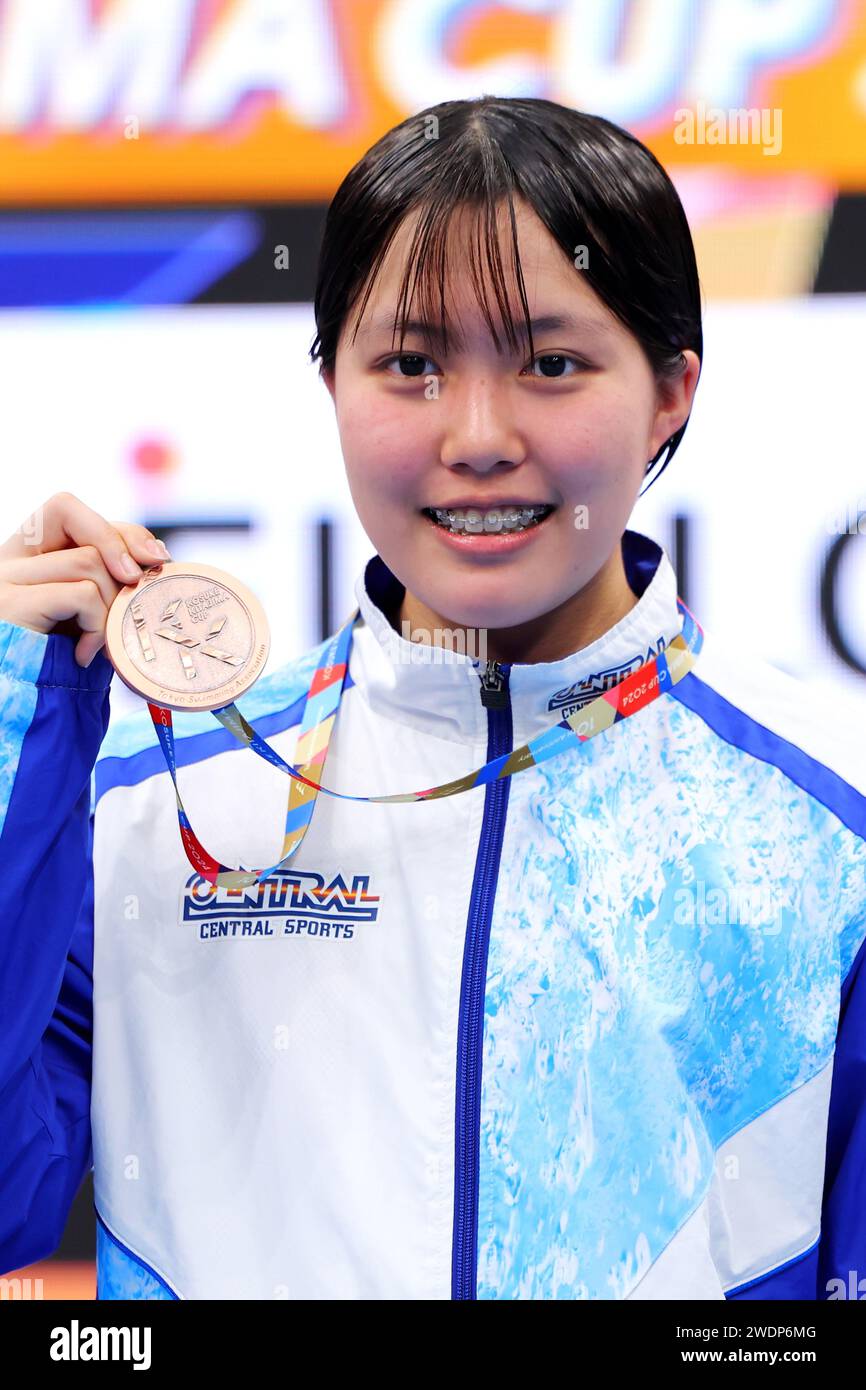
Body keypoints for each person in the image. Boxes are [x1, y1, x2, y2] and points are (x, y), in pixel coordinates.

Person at [1, 95, 864, 1301]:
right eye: (408, 364)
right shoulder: (161, 795)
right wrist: (10, 751)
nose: (473, 435)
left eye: (550, 364)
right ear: (330, 381)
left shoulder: (833, 820)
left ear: (670, 390)